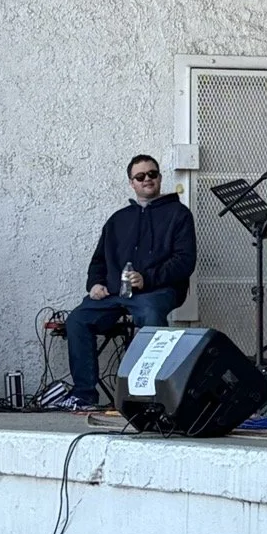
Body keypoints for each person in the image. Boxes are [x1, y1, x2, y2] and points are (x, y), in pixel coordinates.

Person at [61, 155, 197, 410]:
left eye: (152, 174)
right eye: (140, 176)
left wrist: (148, 278)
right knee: (78, 319)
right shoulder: (117, 220)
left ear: (159, 177)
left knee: (151, 315)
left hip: (158, 291)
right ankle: (84, 395)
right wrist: (95, 284)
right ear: (131, 183)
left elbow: (184, 262)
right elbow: (98, 260)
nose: (147, 179)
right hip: (115, 293)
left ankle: (150, 396)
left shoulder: (179, 214)